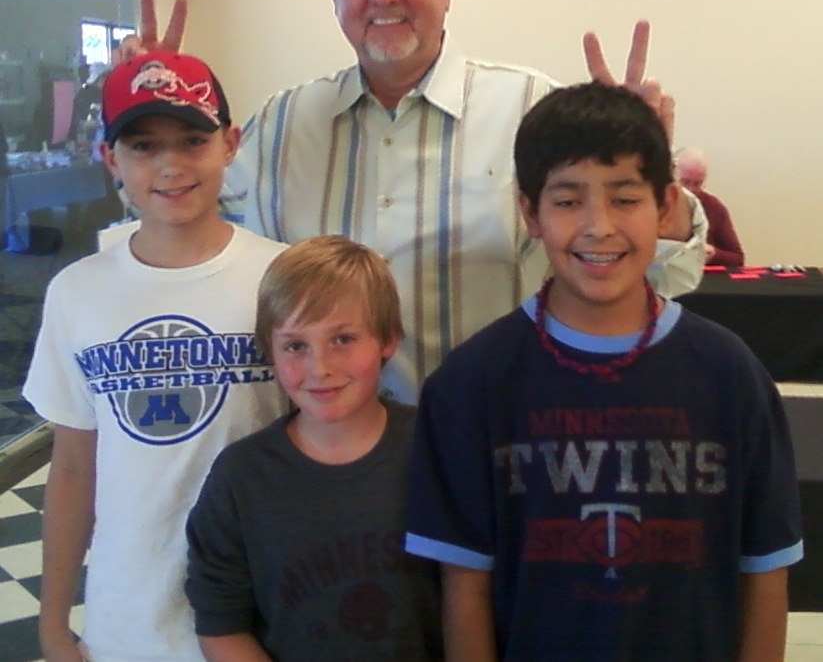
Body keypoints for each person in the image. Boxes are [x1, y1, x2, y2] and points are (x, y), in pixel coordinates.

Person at [133, 0, 708, 404]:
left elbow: (669, 276)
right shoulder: (278, 127)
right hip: (325, 468)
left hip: (498, 452)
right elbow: (176, 233)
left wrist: (647, 166)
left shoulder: (535, 111)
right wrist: (149, 118)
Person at [405, 81, 803, 662]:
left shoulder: (730, 375)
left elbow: (765, 573)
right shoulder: (471, 384)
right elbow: (465, 587)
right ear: (529, 211)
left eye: (624, 197)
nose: (599, 226)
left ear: (664, 204)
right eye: (567, 201)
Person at [23, 50, 289, 661]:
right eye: (143, 146)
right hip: (130, 620)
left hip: (265, 613)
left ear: (230, 143)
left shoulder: (282, 276)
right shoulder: (78, 292)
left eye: (192, 140)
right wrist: (55, 626)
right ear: (110, 159)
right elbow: (71, 470)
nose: (170, 165)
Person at [185, 235, 443, 661]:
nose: (319, 368)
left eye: (342, 339)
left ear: (388, 339)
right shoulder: (241, 477)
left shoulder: (440, 451)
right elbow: (221, 625)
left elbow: (478, 592)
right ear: (271, 350)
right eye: (295, 346)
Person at [676, 145, 745, 267]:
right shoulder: (655, 206)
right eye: (685, 182)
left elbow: (738, 259)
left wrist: (714, 254)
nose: (691, 190)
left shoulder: (714, 207)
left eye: (698, 184)